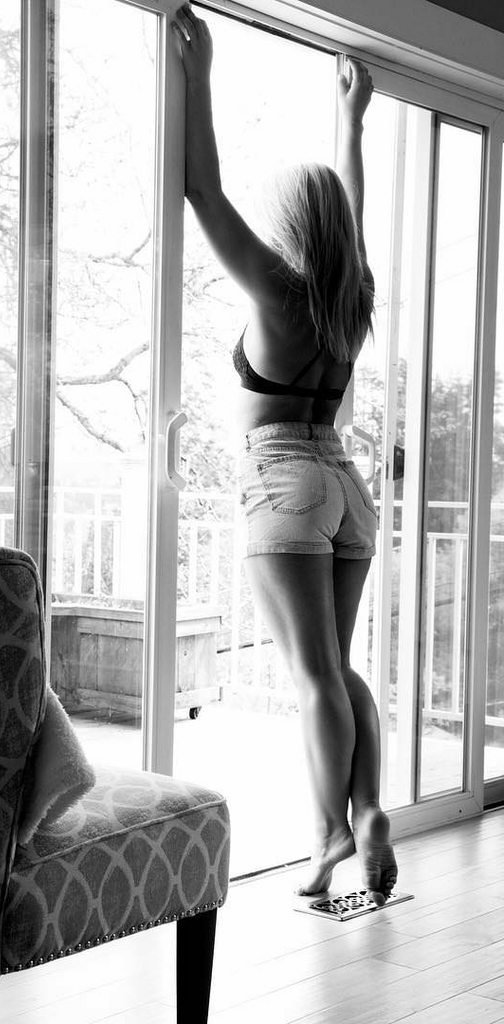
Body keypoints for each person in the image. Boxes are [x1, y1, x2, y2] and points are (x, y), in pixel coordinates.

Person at [171, 4, 397, 905]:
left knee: (312, 676)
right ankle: (368, 810)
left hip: (284, 480)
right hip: (345, 482)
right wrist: (351, 122)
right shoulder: (352, 297)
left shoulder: (278, 289)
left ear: (295, 227)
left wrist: (198, 74)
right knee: (340, 668)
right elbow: (354, 212)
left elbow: (202, 191)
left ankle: (331, 834)